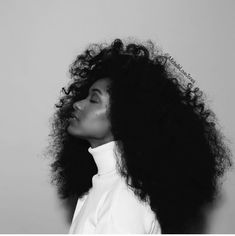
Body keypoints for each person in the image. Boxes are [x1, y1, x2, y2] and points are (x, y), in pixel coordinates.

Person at [45, 38, 233, 233]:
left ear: (124, 118)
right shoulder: (103, 183)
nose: (77, 103)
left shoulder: (123, 198)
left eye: (94, 99)